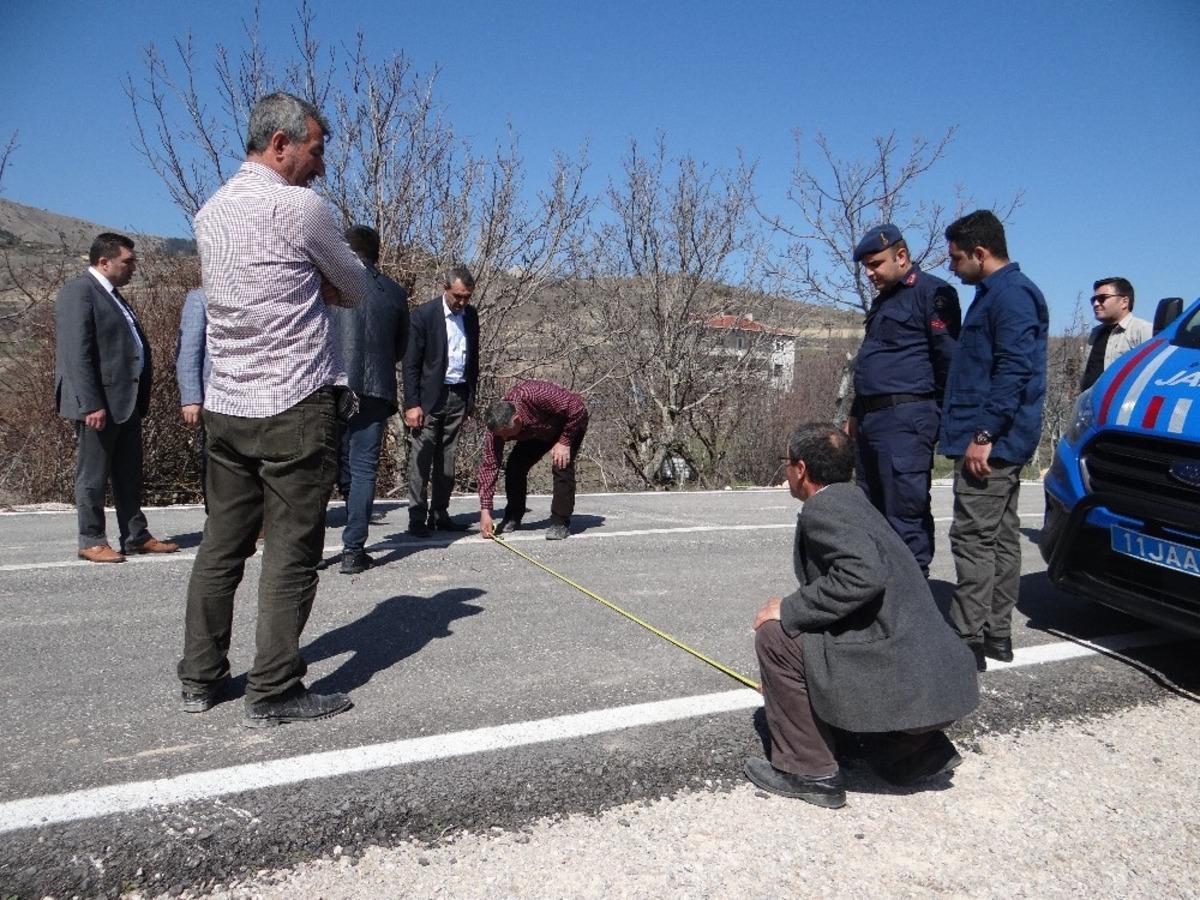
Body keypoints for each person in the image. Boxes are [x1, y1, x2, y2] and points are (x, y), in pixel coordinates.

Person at [178, 91, 370, 727]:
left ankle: (200, 677)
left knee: (221, 546)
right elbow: (357, 285)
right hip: (294, 401)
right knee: (291, 551)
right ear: (281, 144)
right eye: (316, 151)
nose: (321, 166)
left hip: (228, 401)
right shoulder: (301, 208)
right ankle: (274, 689)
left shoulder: (211, 211)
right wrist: (318, 282)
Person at [744, 424, 979, 808]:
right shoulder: (858, 502)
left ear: (801, 469)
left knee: (776, 636)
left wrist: (788, 609)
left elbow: (863, 574)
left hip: (908, 685)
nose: (786, 469)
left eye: (786, 462)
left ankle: (809, 772)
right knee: (817, 639)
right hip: (940, 682)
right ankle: (911, 752)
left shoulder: (823, 509)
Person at [940, 210, 1048, 671]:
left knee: (973, 539)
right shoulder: (997, 294)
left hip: (992, 441)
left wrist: (984, 434)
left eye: (956, 258)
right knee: (1001, 537)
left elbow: (1014, 370)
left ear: (980, 253)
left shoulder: (1011, 296)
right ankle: (996, 635)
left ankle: (966, 640)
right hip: (1001, 436)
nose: (952, 267)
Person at [54, 232, 180, 563]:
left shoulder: (113, 296)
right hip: (99, 404)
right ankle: (91, 539)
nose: (133, 267)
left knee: (128, 473)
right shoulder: (79, 292)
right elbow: (76, 353)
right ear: (104, 261)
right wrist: (90, 403)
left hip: (125, 401)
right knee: (93, 475)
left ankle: (135, 535)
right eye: (128, 261)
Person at [848, 223, 961, 575]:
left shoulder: (933, 293)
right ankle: (883, 595)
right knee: (872, 512)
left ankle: (913, 599)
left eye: (875, 264)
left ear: (901, 256)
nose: (870, 273)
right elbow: (874, 363)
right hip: (872, 420)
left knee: (905, 515)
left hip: (906, 420)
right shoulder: (885, 300)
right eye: (866, 267)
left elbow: (949, 362)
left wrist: (932, 417)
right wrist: (855, 413)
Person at [330, 225, 410, 574]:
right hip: (376, 388)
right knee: (363, 470)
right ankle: (352, 551)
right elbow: (400, 348)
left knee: (318, 469)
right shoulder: (393, 292)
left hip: (330, 385)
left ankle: (308, 552)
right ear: (376, 253)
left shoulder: (328, 285)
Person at [402, 264, 480, 536]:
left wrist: (470, 397)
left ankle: (440, 513)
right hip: (429, 399)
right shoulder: (424, 315)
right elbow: (411, 364)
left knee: (448, 460)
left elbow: (473, 359)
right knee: (421, 459)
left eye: (467, 297)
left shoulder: (471, 316)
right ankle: (416, 516)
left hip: (458, 394)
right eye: (458, 296)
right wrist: (412, 404)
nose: (462, 302)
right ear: (445, 288)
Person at [478, 380, 589, 541]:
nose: (504, 439)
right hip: (537, 433)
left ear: (516, 419)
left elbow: (577, 408)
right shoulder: (495, 431)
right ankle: (513, 516)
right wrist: (485, 511)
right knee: (515, 465)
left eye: (506, 434)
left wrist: (564, 441)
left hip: (567, 426)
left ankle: (560, 523)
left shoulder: (533, 394)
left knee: (561, 464)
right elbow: (490, 466)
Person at [1080, 277, 1152, 391]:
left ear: (1124, 302)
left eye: (1102, 298)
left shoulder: (1143, 330)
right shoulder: (1095, 333)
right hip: (1091, 401)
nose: (1096, 304)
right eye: (1093, 300)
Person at [175, 286, 211, 508]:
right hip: (214, 397)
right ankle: (215, 513)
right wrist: (191, 398)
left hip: (259, 397)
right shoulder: (200, 298)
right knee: (215, 460)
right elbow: (189, 349)